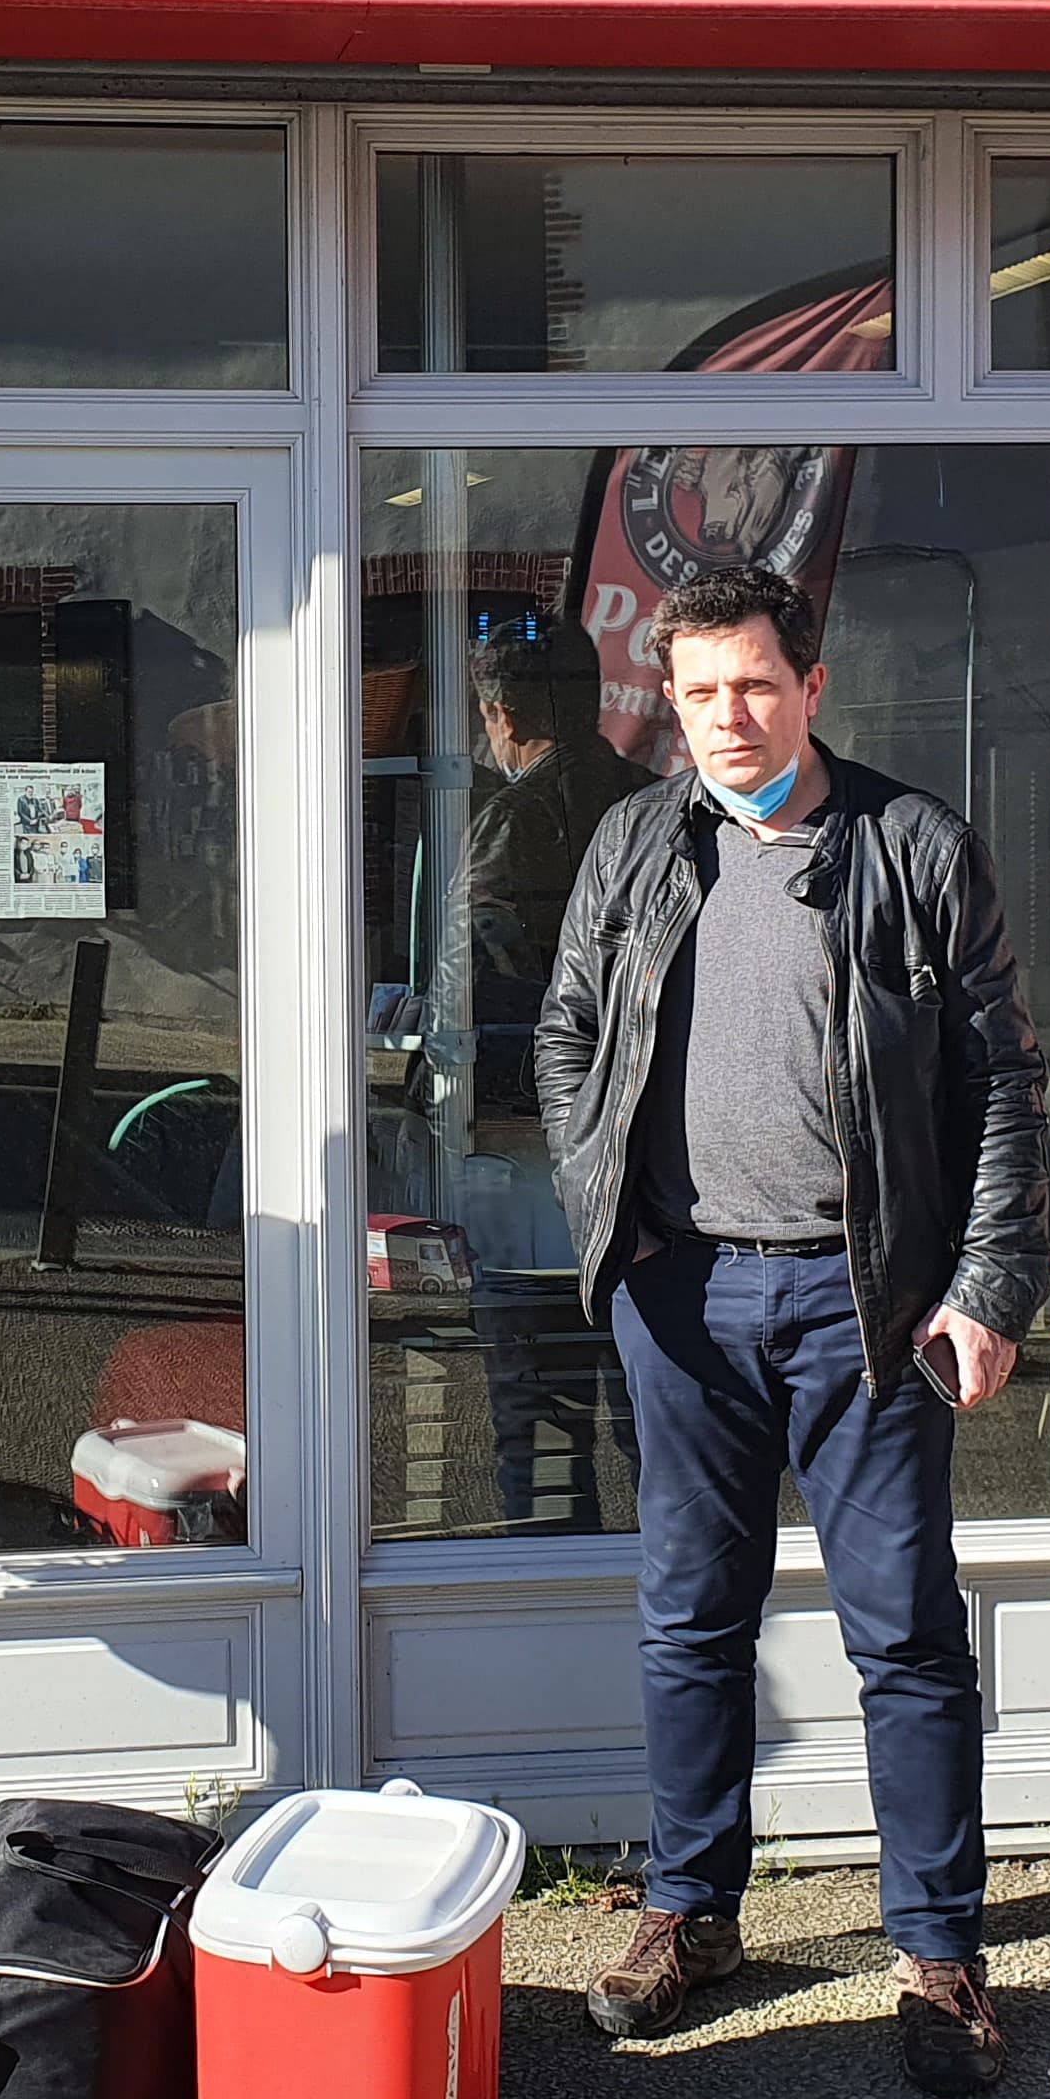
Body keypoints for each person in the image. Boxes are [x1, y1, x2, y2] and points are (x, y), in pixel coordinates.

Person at [531, 565, 1050, 2093]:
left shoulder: (914, 848)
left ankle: (940, 1956)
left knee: (905, 1635)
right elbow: (568, 1027)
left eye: (753, 685)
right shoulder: (637, 840)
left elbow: (1005, 1081)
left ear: (811, 685)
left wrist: (985, 1282)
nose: (726, 718)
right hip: (683, 1296)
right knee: (691, 1620)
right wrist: (612, 1229)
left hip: (865, 1299)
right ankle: (692, 1912)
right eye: (697, 692)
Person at [452, 623, 650, 1527]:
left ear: (499, 714)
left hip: (528, 1147)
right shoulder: (659, 808)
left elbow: (477, 995)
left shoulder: (502, 826)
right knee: (655, 1411)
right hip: (654, 1153)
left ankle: (548, 1582)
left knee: (536, 1410)